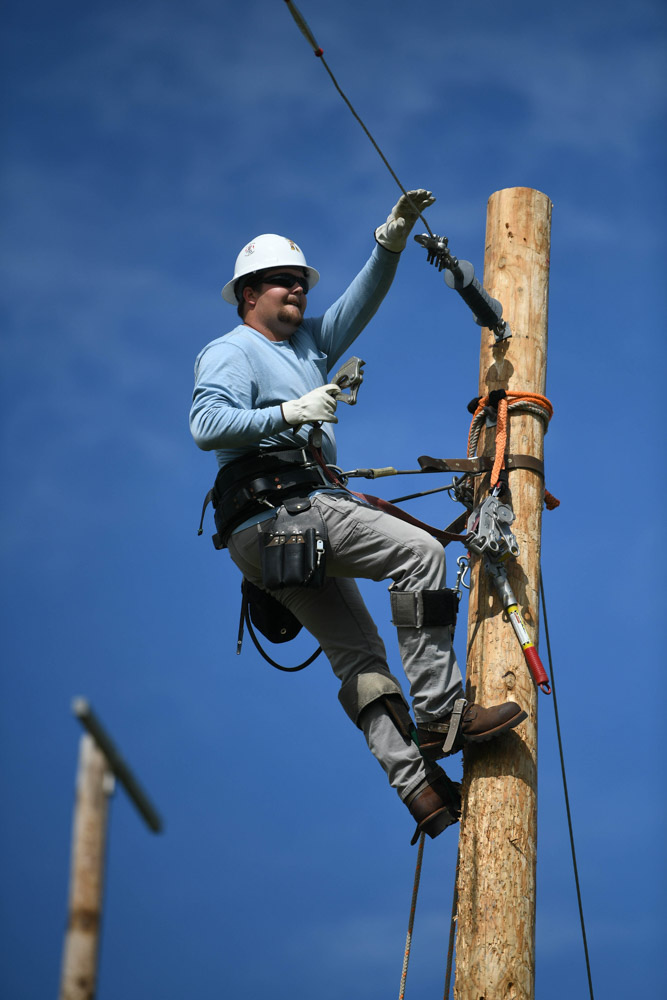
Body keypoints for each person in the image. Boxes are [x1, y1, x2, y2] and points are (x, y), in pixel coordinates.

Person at [190, 191, 526, 843]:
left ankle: (420, 789)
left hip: (273, 537)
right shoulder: (230, 350)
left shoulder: (309, 345)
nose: (297, 290)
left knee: (359, 658)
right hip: (282, 510)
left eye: (300, 281)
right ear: (248, 293)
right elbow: (206, 425)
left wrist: (391, 238)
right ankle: (440, 711)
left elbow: (359, 302)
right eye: (283, 282)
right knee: (420, 555)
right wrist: (286, 415)